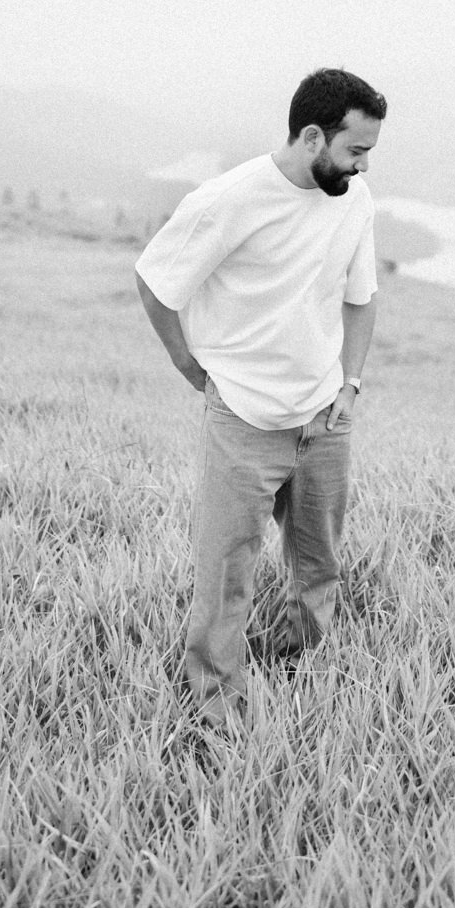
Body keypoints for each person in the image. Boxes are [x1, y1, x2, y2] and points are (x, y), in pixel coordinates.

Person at [135, 68, 386, 723]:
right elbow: (157, 281)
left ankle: (303, 669)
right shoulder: (229, 199)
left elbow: (362, 297)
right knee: (226, 574)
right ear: (313, 137)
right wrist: (189, 365)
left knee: (319, 566)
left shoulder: (354, 199)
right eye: (355, 150)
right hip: (243, 419)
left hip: (323, 418)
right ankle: (216, 710)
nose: (363, 166)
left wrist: (350, 385)